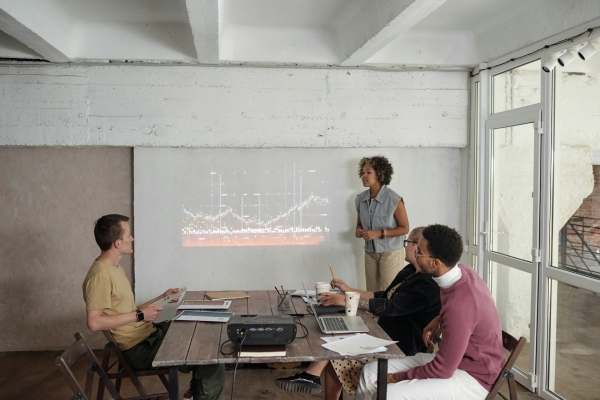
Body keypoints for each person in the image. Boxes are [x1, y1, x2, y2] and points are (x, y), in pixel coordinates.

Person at [275, 227, 441, 399]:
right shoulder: (409, 272)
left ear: (418, 248)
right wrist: (348, 290)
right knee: (337, 334)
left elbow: (390, 306)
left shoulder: (428, 285)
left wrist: (348, 300)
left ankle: (310, 376)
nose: (403, 246)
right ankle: (311, 376)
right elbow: (382, 296)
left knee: (337, 345)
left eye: (407, 243)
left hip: (398, 343)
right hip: (382, 330)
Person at [82, 214, 225, 400]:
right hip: (139, 348)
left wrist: (162, 298)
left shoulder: (115, 268)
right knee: (210, 359)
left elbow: (127, 310)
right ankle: (202, 385)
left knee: (196, 328)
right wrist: (141, 316)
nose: (132, 239)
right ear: (117, 243)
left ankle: (197, 390)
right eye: (129, 235)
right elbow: (94, 323)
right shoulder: (99, 277)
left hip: (148, 335)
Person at [356, 224, 505, 400]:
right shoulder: (464, 273)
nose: (414, 253)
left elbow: (442, 369)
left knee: (388, 394)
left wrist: (398, 377)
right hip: (458, 363)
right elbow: (466, 316)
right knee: (370, 372)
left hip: (474, 378)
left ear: (435, 263)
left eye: (419, 251)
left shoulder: (460, 305)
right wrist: (438, 318)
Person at [355, 156, 409, 292]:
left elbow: (405, 228)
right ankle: (373, 315)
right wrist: (359, 231)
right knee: (371, 293)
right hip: (370, 253)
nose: (363, 175)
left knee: (390, 293)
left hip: (391, 253)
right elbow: (359, 224)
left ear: (380, 174)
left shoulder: (394, 199)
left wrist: (379, 233)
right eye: (362, 172)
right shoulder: (360, 199)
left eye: (368, 172)